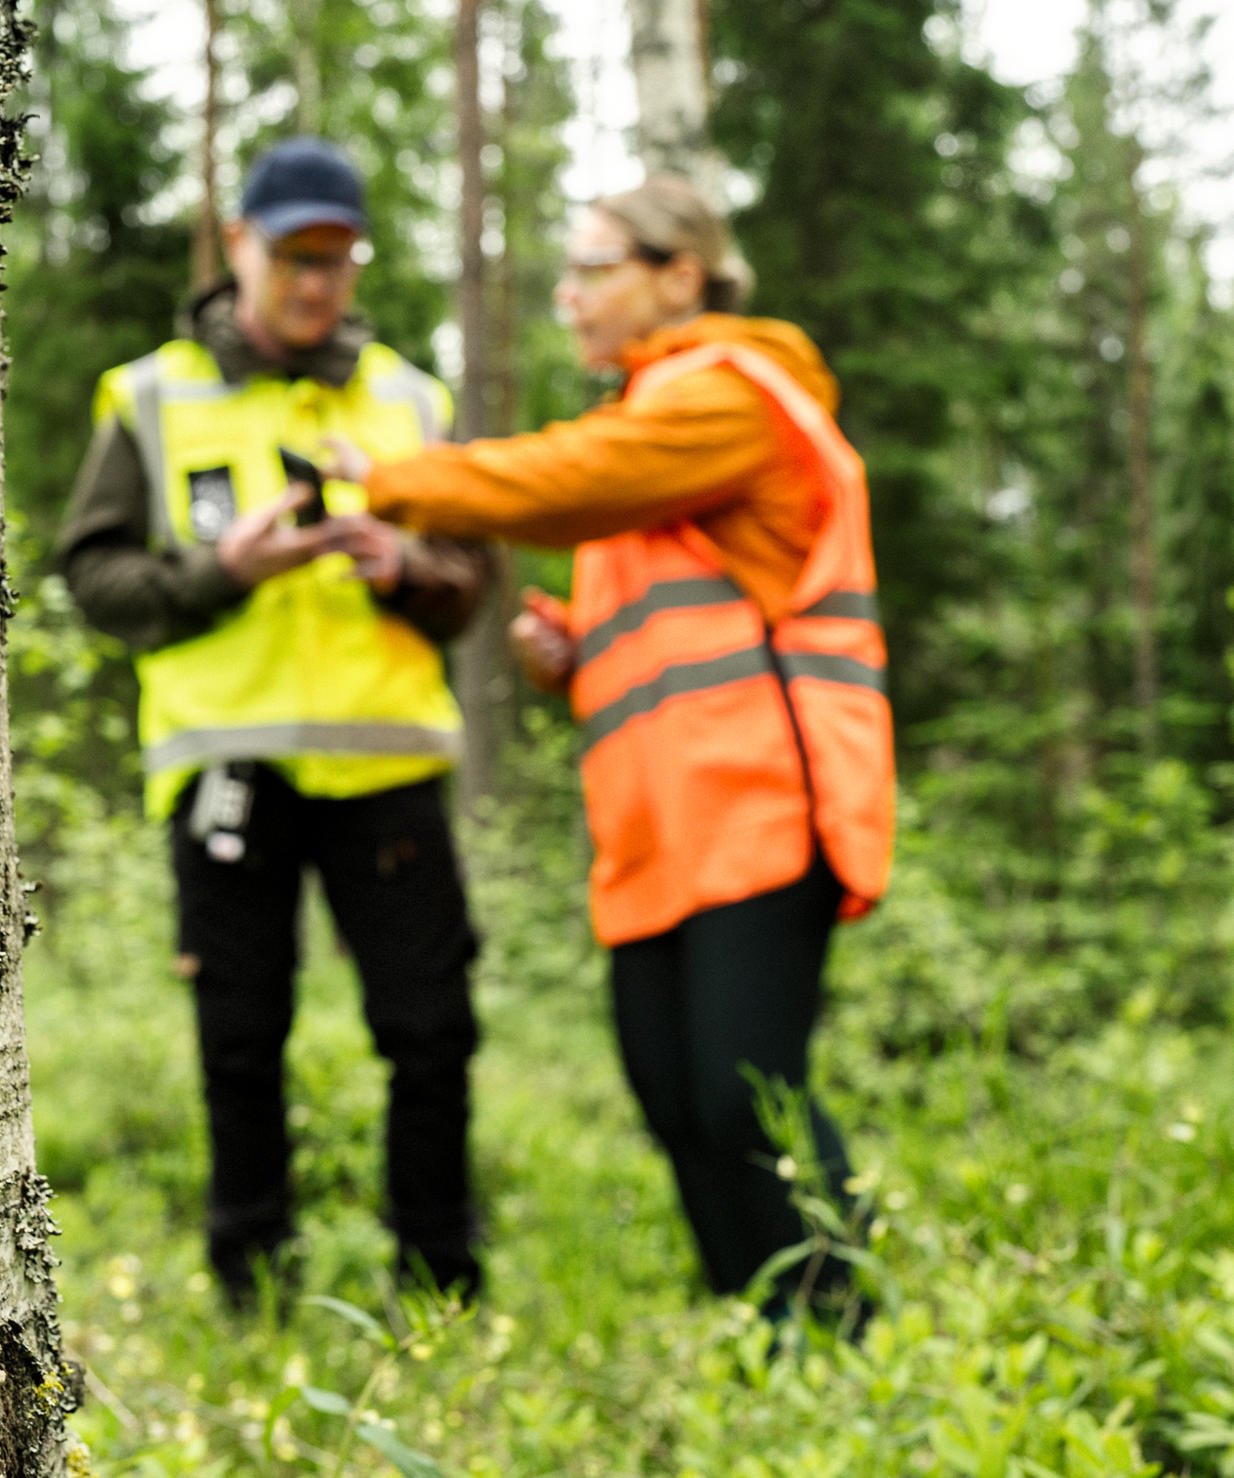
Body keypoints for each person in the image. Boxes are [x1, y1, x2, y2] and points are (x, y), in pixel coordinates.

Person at [324, 175, 893, 1321]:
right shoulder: (653, 415)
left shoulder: (729, 394)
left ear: (677, 274)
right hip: (652, 837)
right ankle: (757, 1331)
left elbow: (567, 479)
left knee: (745, 1096)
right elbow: (697, 606)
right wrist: (575, 650)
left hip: (762, 809)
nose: (568, 296)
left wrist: (392, 479)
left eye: (591, 269)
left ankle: (844, 1338)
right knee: (675, 1099)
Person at [58, 137, 492, 1302]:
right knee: (240, 1040)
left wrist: (402, 562)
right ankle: (251, 1293)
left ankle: (439, 1286)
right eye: (295, 254)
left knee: (430, 1032)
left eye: (340, 258)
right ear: (240, 244)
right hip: (225, 772)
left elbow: (466, 586)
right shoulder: (148, 396)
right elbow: (95, 581)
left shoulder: (408, 398)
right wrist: (221, 569)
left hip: (388, 768)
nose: (317, 282)